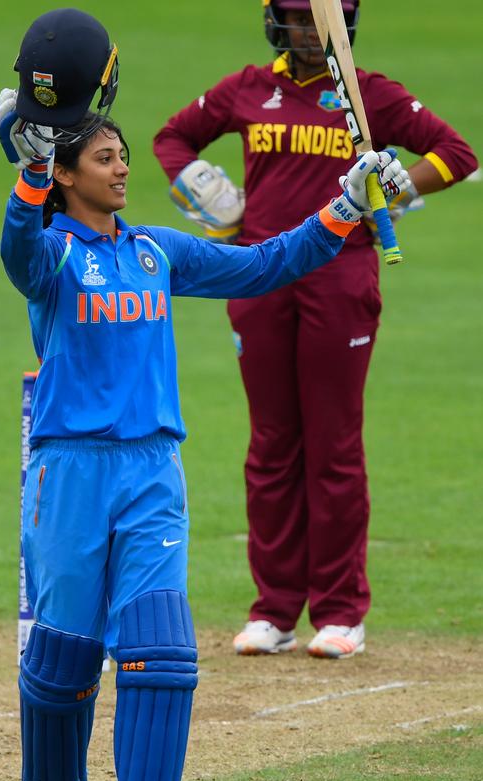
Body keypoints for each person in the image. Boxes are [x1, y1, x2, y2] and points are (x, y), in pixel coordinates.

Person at [0, 73, 408, 781]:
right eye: (108, 158)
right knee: (63, 655)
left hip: (152, 471)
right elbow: (16, 245)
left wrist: (347, 205)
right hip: (69, 472)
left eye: (123, 156)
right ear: (70, 174)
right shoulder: (48, 257)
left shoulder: (155, 251)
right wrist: (32, 170)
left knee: (162, 649)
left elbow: (263, 266)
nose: (124, 168)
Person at [153, 0, 478, 660]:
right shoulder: (246, 89)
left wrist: (397, 189)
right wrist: (208, 194)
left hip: (341, 278)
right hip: (260, 278)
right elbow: (171, 138)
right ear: (274, 20)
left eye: (315, 18)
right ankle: (274, 610)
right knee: (272, 442)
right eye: (294, 18)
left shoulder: (369, 96)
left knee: (332, 444)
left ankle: (339, 611)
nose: (305, 30)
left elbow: (457, 153)